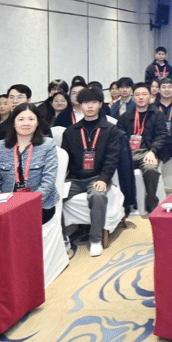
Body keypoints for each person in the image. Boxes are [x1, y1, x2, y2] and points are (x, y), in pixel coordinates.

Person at [60, 87, 123, 256]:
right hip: (74, 179)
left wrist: (104, 178)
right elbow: (64, 161)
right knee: (54, 196)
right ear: (80, 105)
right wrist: (59, 183)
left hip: (97, 177)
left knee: (97, 196)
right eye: (86, 102)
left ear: (100, 104)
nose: (89, 106)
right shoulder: (70, 132)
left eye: (94, 102)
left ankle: (95, 239)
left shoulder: (110, 129)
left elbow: (112, 158)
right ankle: (62, 238)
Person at [0, 102, 59, 224]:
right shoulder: (0, 147)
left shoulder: (48, 145)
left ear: (37, 123)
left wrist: (30, 202)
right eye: (21, 119)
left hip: (40, 205)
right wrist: (2, 202)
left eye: (31, 119)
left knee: (18, 222)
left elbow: (48, 182)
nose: (26, 123)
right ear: (13, 123)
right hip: (7, 204)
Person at [115, 83, 168, 213]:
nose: (141, 97)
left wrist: (153, 151)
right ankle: (126, 203)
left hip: (147, 152)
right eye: (137, 94)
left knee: (150, 169)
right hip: (128, 153)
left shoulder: (158, 115)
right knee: (118, 168)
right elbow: (118, 138)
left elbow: (162, 136)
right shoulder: (125, 117)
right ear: (133, 97)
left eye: (144, 94)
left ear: (150, 96)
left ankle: (151, 202)